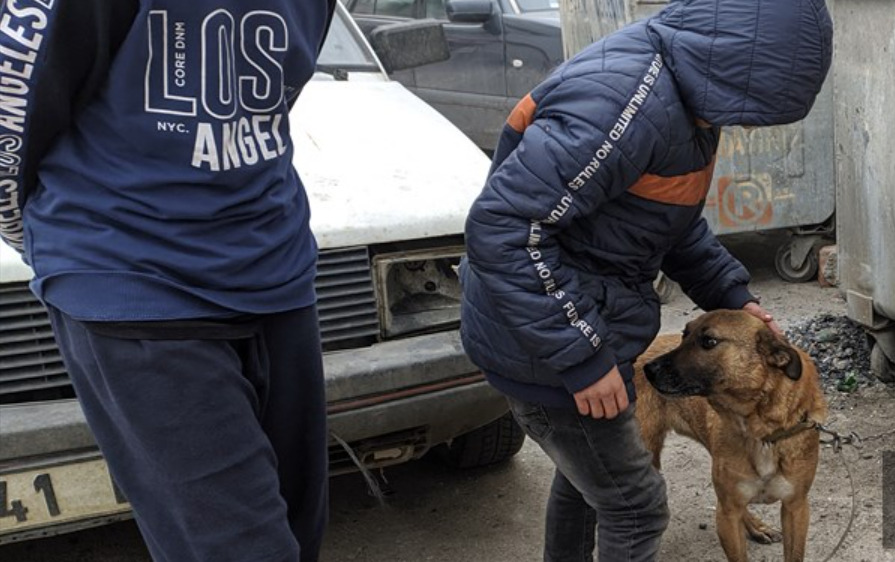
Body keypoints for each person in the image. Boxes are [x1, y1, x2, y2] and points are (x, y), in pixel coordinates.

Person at [458, 0, 833, 560]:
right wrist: (581, 356)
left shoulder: (682, 98)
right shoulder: (623, 106)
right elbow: (503, 228)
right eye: (757, 105)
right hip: (543, 345)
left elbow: (668, 225)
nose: (750, 121)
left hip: (571, 330)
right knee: (635, 506)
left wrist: (731, 296)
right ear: (736, 67)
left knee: (588, 483)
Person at [0, 1, 336, 560]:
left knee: (300, 532)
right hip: (133, 279)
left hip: (278, 268)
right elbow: (13, 110)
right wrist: (45, 239)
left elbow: (269, 96)